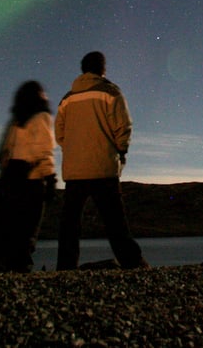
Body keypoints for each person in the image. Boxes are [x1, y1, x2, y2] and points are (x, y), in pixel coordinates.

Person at [56, 51, 146, 270]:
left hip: (74, 171)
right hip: (103, 167)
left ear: (83, 69)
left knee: (70, 225)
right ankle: (133, 265)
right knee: (115, 223)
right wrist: (120, 152)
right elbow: (123, 127)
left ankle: (65, 268)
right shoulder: (110, 92)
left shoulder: (67, 99)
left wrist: (74, 150)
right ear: (102, 69)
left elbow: (59, 134)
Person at [0, 80, 57, 273]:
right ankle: (21, 268)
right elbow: (43, 149)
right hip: (31, 177)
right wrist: (50, 178)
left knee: (4, 226)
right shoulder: (41, 117)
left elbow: (3, 152)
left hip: (9, 176)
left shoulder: (15, 120)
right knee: (28, 227)